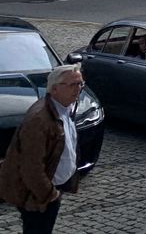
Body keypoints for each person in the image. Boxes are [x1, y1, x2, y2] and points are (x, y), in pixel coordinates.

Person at [0, 64, 85, 234]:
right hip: (37, 195)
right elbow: (31, 168)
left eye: (80, 84)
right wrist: (49, 194)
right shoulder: (39, 120)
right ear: (54, 89)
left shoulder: (63, 107)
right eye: (72, 84)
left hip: (53, 187)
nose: (78, 89)